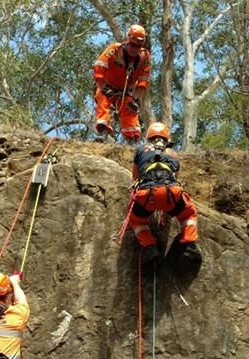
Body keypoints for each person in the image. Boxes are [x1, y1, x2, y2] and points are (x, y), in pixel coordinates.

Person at [128, 122, 201, 268]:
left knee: (137, 220)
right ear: (166, 137)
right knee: (188, 215)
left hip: (146, 195)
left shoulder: (141, 149)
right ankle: (189, 246)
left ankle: (149, 247)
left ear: (148, 136)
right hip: (170, 193)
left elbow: (135, 177)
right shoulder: (173, 153)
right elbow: (174, 173)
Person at [93, 24, 152, 144]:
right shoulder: (115, 49)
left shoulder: (144, 56)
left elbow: (143, 81)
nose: (134, 48)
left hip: (126, 91)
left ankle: (132, 139)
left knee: (130, 108)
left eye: (138, 46)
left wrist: (135, 99)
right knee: (103, 98)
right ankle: (103, 131)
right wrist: (103, 86)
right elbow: (99, 66)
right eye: (132, 44)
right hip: (107, 86)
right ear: (127, 40)